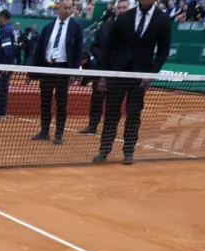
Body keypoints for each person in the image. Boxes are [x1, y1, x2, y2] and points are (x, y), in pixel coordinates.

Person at [93, 0, 171, 164]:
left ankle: (128, 151)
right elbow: (108, 48)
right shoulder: (124, 17)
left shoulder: (162, 19)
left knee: (134, 114)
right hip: (118, 72)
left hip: (140, 75)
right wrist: (105, 74)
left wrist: (151, 74)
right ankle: (104, 150)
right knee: (111, 114)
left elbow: (164, 51)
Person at [28, 0, 83, 145]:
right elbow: (39, 50)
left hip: (63, 70)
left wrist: (74, 72)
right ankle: (44, 131)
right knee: (45, 102)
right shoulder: (47, 28)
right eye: (65, 8)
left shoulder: (76, 28)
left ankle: (59, 133)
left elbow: (78, 52)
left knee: (61, 103)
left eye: (70, 8)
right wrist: (32, 72)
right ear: (58, 8)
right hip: (47, 68)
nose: (67, 10)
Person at [80, 0, 129, 135]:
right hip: (101, 70)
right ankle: (92, 125)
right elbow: (94, 46)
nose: (121, 9)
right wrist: (103, 58)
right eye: (119, 7)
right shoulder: (106, 26)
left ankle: (110, 129)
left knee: (114, 103)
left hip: (119, 72)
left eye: (124, 7)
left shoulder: (132, 29)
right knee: (96, 99)